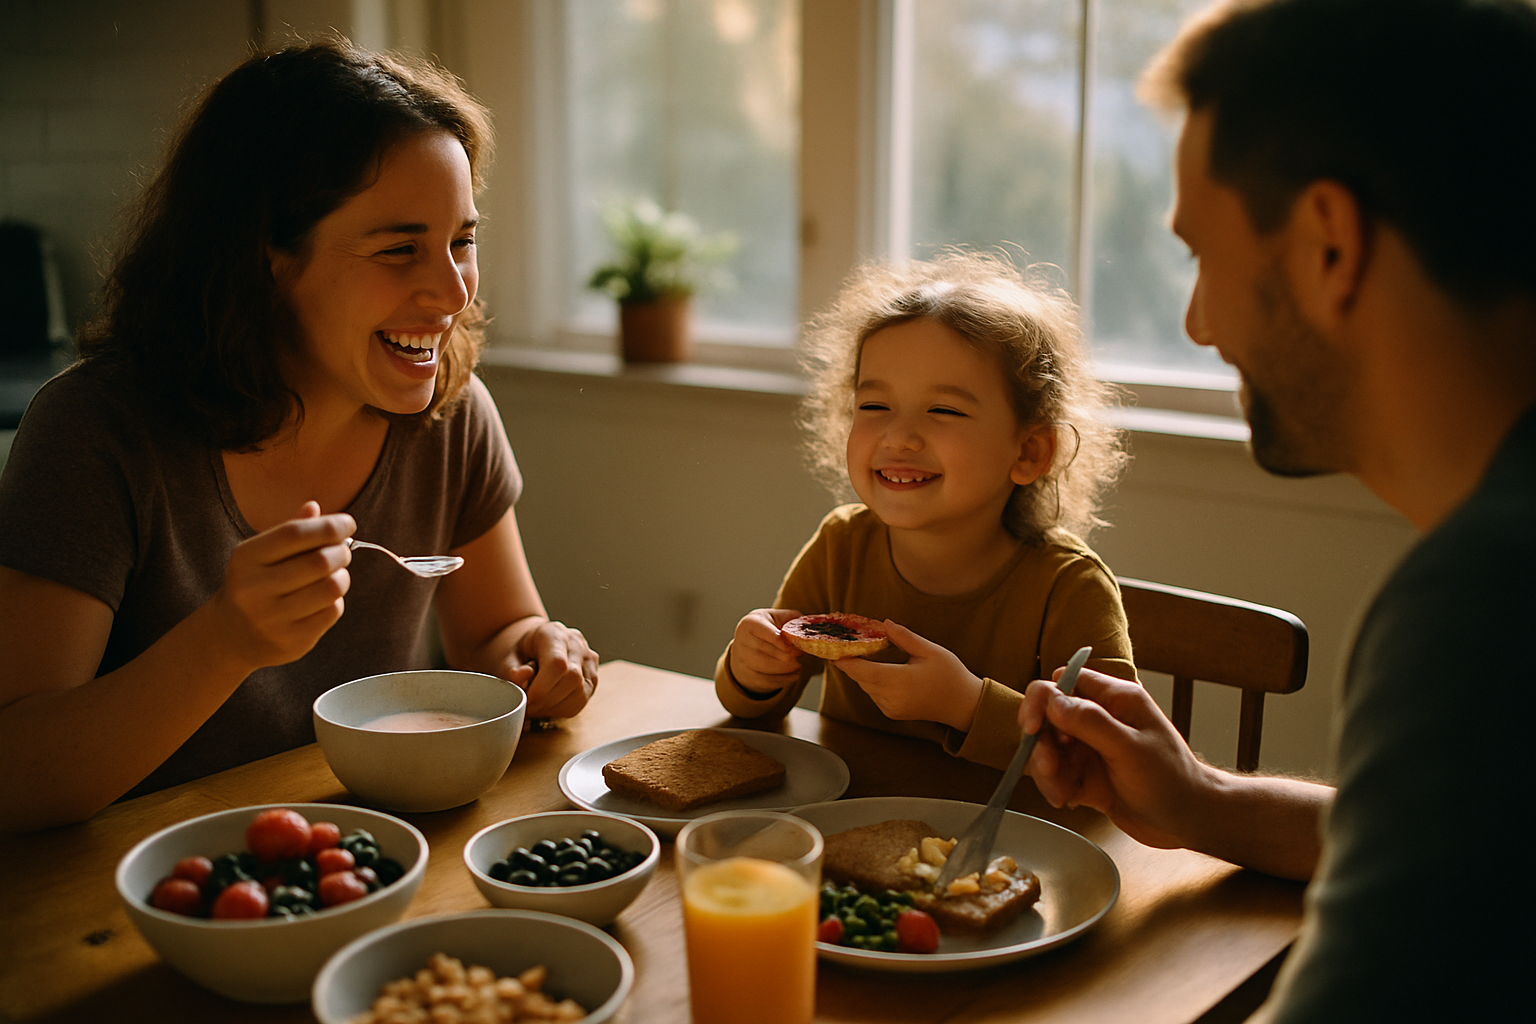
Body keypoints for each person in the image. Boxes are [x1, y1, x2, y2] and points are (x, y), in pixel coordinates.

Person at [1017, 0, 1535, 1019]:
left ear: (1329, 247)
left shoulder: (1488, 599)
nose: (1199, 322)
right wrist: (1208, 800)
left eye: (1204, 255)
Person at [0, 40, 599, 833]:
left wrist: (540, 658)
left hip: (365, 857)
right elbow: (17, 777)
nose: (452, 292)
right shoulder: (96, 433)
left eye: (463, 241)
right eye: (398, 249)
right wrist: (225, 639)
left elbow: (496, 638)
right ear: (267, 256)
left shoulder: (448, 414)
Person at [717, 252, 1135, 770]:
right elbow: (754, 710)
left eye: (943, 410)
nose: (899, 435)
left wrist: (966, 706)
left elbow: (1106, 756)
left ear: (1028, 452)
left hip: (1003, 843)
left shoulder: (1070, 587)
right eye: (874, 406)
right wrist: (749, 671)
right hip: (848, 824)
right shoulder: (842, 545)